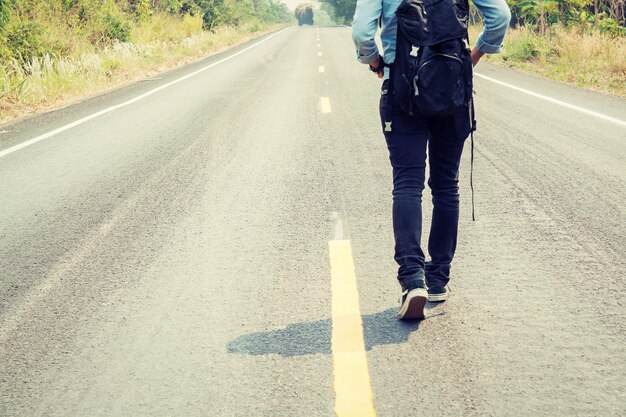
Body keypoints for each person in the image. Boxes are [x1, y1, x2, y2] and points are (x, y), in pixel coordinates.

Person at [352, 0, 511, 319]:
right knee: (445, 186)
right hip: (452, 86)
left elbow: (361, 33)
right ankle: (438, 278)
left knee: (408, 184)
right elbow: (501, 17)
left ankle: (413, 280)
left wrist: (373, 61)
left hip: (402, 89)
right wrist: (474, 55)